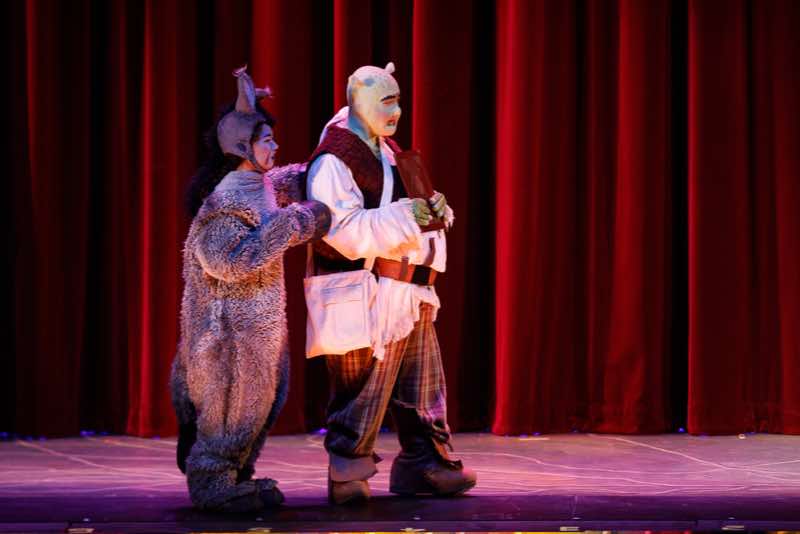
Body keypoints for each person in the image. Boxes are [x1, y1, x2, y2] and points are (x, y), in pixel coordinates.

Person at [305, 62, 476, 505]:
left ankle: (425, 463)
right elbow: (340, 230)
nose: (397, 110)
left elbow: (412, 208)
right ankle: (348, 469)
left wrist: (433, 210)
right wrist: (405, 215)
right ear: (358, 102)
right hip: (365, 293)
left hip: (407, 291)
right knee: (363, 389)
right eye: (387, 101)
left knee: (422, 386)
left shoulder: (389, 151)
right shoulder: (334, 160)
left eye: (398, 101)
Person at [169, 67, 330, 512]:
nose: (275, 147)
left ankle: (235, 475)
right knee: (232, 406)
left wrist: (323, 169)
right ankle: (212, 481)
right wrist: (297, 221)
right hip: (229, 338)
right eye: (267, 141)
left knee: (260, 403)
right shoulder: (224, 202)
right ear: (242, 148)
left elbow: (278, 185)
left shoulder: (256, 184)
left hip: (257, 328)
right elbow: (230, 260)